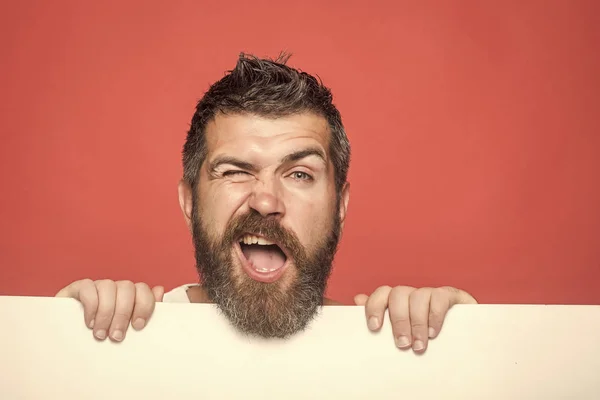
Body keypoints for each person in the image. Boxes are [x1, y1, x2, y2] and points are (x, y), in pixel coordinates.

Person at [56, 53, 477, 353]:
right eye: (236, 171)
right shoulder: (127, 334)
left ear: (340, 205)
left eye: (299, 174)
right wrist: (60, 339)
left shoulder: (390, 345)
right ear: (189, 203)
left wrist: (472, 342)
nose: (265, 200)